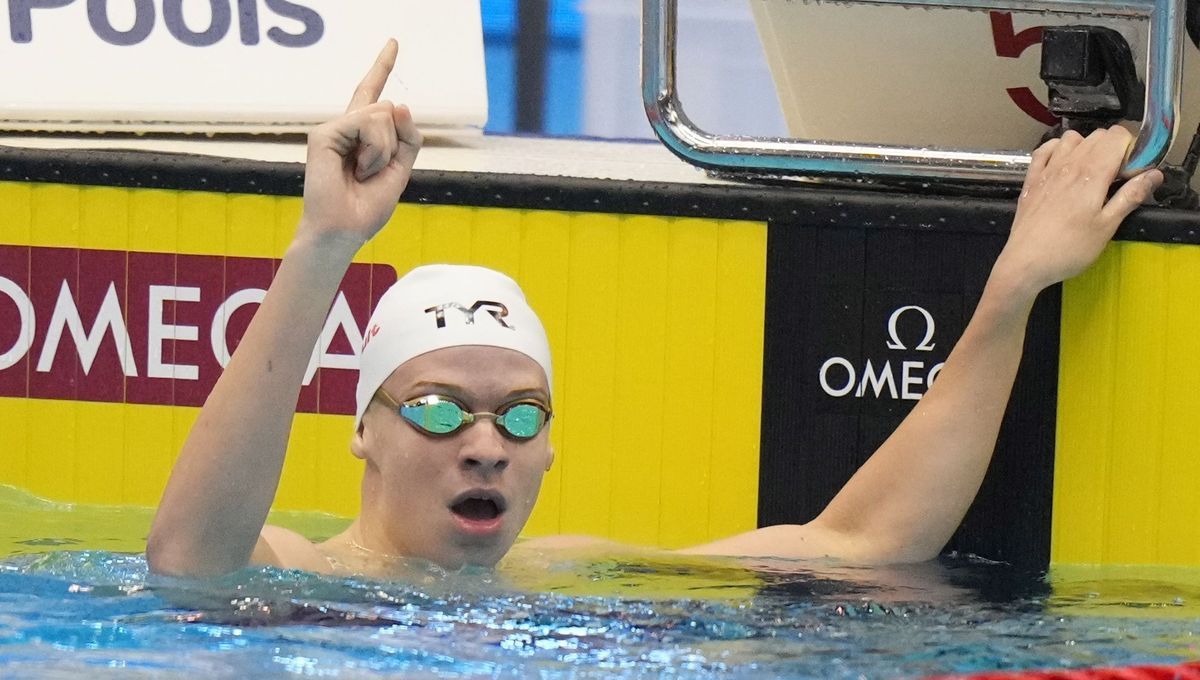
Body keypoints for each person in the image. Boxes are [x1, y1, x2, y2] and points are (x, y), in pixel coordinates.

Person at [146, 41, 1164, 578]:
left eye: (523, 414)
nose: (489, 443)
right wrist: (324, 241)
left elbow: (866, 541)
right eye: (444, 408)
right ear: (363, 430)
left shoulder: (561, 576)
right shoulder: (295, 570)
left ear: (550, 448)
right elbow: (189, 558)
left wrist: (1016, 280)